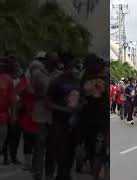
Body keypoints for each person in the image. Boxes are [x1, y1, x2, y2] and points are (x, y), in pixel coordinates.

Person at [46, 52, 81, 180]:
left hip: (74, 125)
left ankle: (65, 175)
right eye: (73, 65)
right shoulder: (56, 82)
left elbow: (81, 100)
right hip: (59, 124)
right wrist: (63, 109)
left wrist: (80, 106)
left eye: (77, 65)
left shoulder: (78, 82)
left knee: (70, 154)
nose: (76, 68)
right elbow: (48, 103)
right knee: (61, 154)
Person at [77, 54, 108, 180]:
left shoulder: (83, 78)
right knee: (98, 149)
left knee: (88, 145)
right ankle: (94, 173)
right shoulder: (104, 79)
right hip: (98, 119)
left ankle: (87, 166)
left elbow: (79, 98)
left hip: (86, 117)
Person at [30, 52, 57, 180]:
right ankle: (37, 172)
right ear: (46, 61)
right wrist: (40, 95)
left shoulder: (58, 75)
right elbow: (31, 91)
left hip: (55, 114)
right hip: (41, 112)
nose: (53, 63)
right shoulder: (37, 74)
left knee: (52, 144)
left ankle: (49, 172)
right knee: (40, 143)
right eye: (51, 60)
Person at [16, 68, 38, 170]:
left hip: (39, 115)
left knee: (37, 140)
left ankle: (36, 161)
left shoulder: (43, 79)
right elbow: (17, 90)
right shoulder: (25, 80)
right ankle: (28, 163)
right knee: (28, 139)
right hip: (27, 116)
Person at [0, 58, 16, 164]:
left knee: (1, 141)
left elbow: (12, 99)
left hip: (2, 116)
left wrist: (13, 115)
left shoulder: (8, 80)